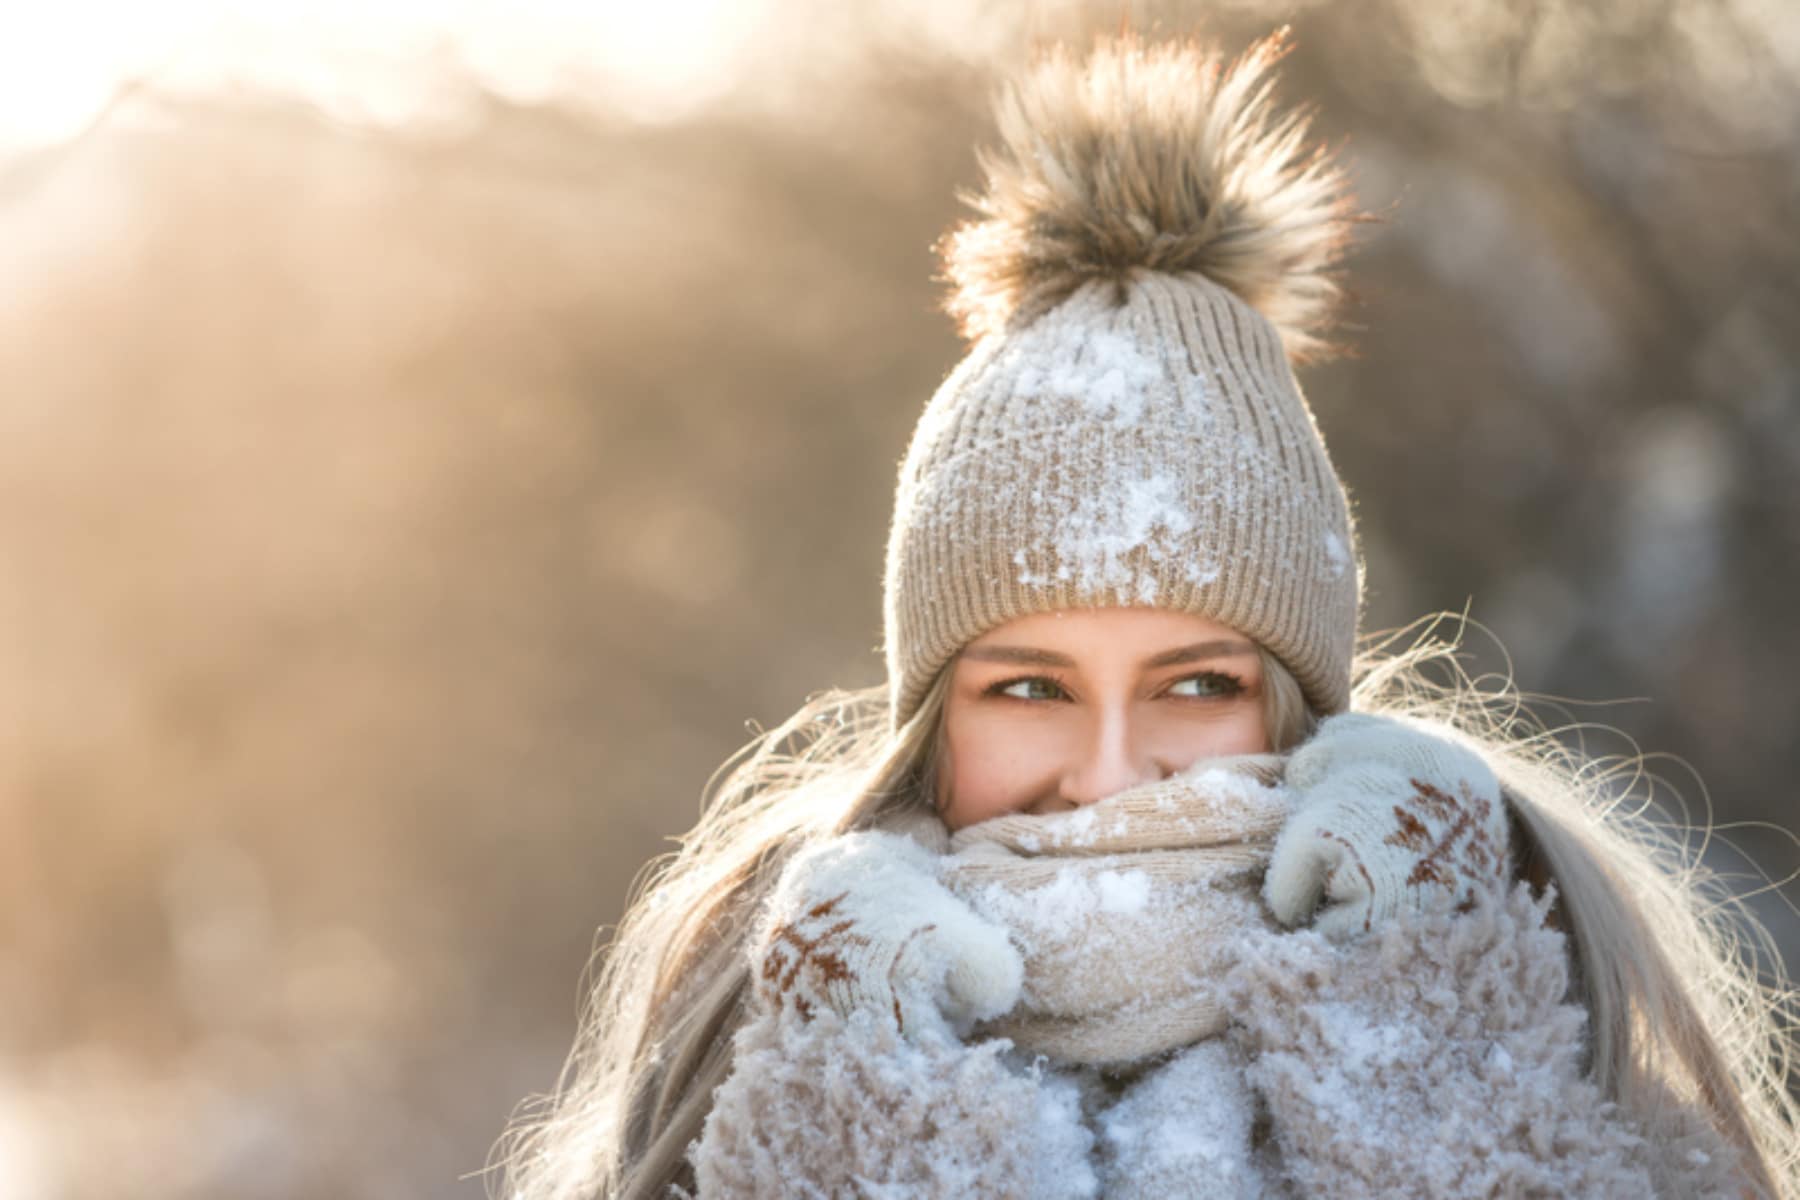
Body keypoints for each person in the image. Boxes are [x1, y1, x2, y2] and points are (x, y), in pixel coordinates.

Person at [496, 30, 1799, 1200]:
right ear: (930, 719)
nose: (1108, 776)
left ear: (1297, 709)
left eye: (1195, 686)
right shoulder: (755, 1069)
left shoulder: (1551, 1043)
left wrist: (1429, 1047)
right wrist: (858, 1125)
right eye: (1028, 688)